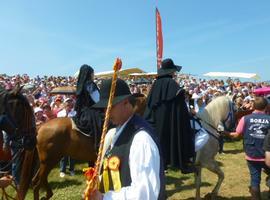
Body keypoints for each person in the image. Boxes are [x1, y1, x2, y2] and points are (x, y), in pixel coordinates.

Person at [90, 78, 165, 200]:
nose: (106, 113)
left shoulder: (141, 140)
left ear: (126, 102)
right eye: (104, 109)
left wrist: (104, 198)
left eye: (110, 107)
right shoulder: (119, 131)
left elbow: (145, 194)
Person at [143, 58, 195, 173]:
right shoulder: (172, 83)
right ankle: (182, 163)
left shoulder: (155, 84)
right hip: (171, 121)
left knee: (161, 141)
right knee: (178, 136)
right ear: (171, 71)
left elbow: (150, 104)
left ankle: (162, 164)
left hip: (158, 121)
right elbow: (179, 107)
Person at [228, 96, 270, 199]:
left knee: (255, 179)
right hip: (267, 154)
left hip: (252, 153)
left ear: (253, 106)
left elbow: (236, 134)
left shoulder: (245, 118)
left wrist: (224, 133)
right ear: (267, 107)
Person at [73, 64, 101, 135]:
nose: (93, 76)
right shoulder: (90, 84)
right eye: (92, 74)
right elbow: (98, 101)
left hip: (81, 113)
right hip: (91, 113)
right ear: (89, 74)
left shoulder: (80, 84)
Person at [57, 98, 76, 177]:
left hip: (72, 134)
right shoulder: (60, 113)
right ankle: (62, 170)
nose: (68, 104)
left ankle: (72, 169)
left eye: (70, 103)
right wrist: (66, 115)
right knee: (63, 154)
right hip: (63, 135)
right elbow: (59, 123)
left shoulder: (75, 112)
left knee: (72, 154)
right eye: (67, 103)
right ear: (64, 104)